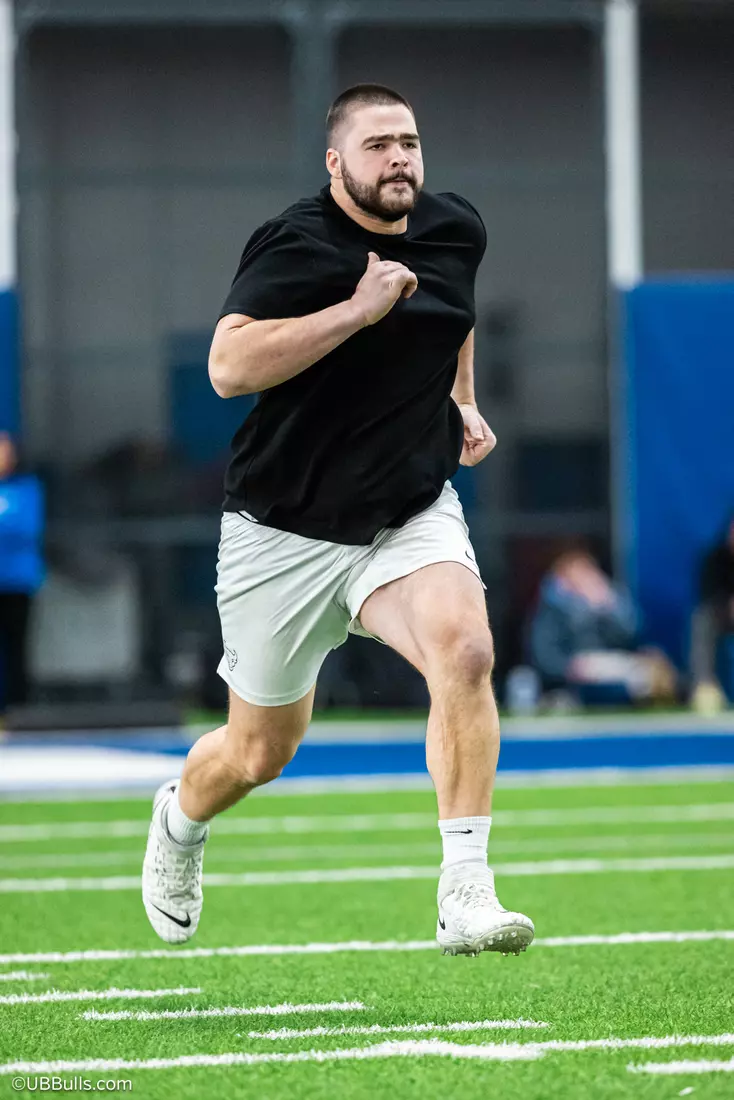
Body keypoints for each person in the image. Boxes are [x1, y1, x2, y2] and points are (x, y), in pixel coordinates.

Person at [143, 84, 534, 958]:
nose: (399, 158)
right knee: (257, 753)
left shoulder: (453, 227)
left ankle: (465, 891)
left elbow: (454, 310)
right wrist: (357, 311)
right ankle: (178, 820)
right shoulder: (296, 244)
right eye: (378, 145)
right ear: (335, 164)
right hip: (281, 532)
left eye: (410, 142)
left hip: (405, 515)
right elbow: (226, 365)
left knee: (465, 651)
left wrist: (462, 399)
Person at [529, 547, 677, 705]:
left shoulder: (609, 603)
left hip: (615, 672)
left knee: (652, 669)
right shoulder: (551, 612)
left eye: (588, 575)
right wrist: (570, 667)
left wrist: (609, 607)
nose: (584, 582)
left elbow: (632, 636)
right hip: (571, 683)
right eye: (577, 577)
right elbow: (544, 656)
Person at [0, 432, 44, 714]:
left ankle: (18, 709)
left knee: (17, 648)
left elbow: (25, 528)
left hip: (17, 582)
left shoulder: (27, 489)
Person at [690, 516, 734, 713]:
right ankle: (705, 684)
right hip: (722, 615)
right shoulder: (715, 559)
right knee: (702, 621)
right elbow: (708, 597)